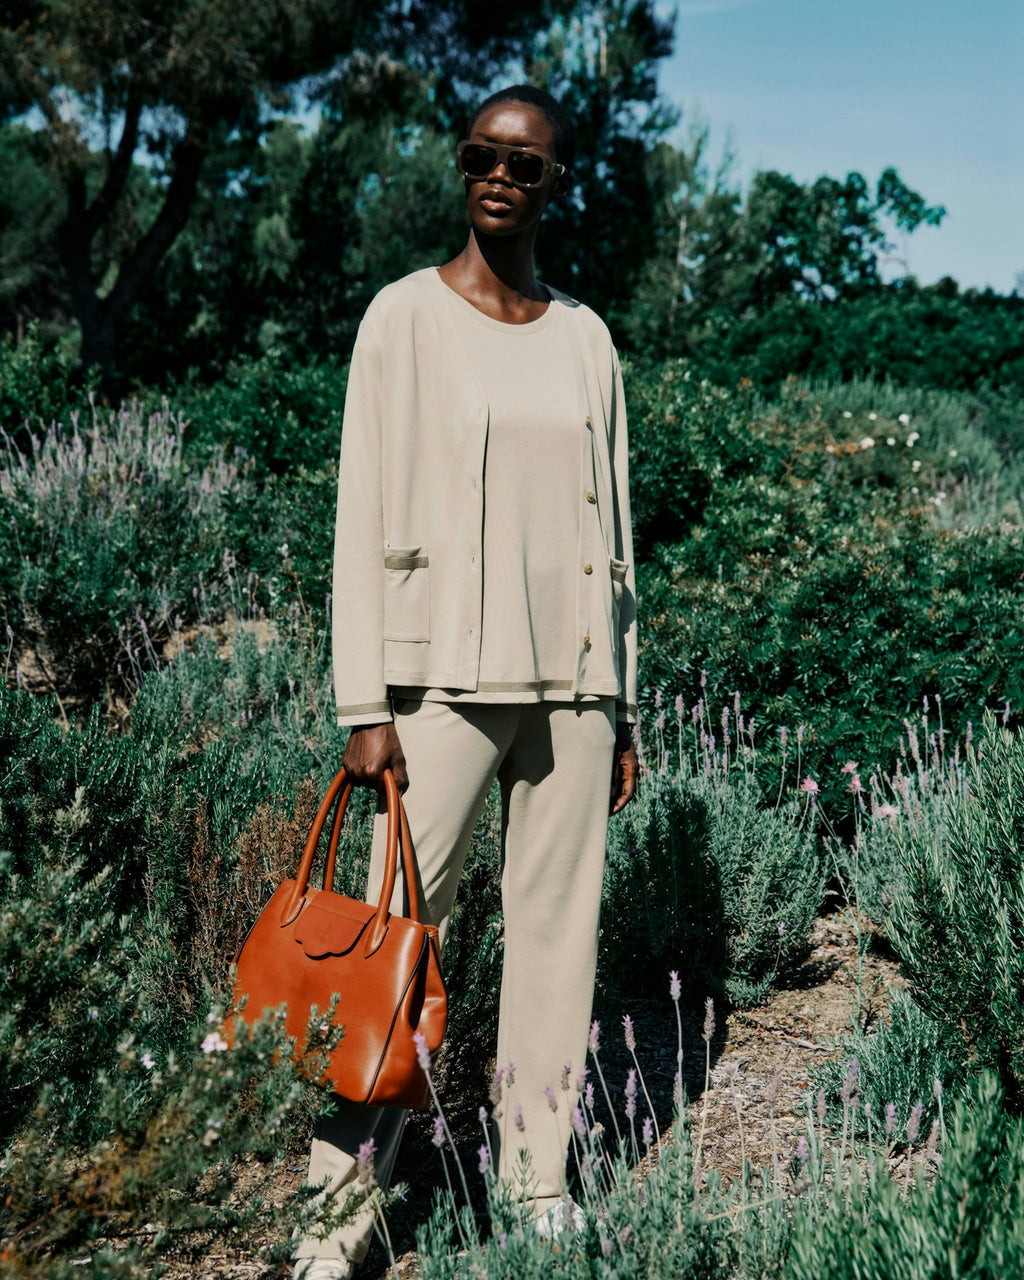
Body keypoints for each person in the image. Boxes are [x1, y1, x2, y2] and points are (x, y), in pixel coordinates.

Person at [293, 83, 639, 1280]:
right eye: (482, 155)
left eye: (526, 163)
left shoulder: (586, 337)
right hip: (436, 686)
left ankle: (539, 1181)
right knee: (394, 939)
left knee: (559, 941)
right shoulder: (401, 321)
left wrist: (623, 696)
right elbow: (358, 517)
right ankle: (333, 1219)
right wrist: (361, 707)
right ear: (461, 166)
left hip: (575, 690)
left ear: (556, 183)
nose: (500, 175)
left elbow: (617, 534)